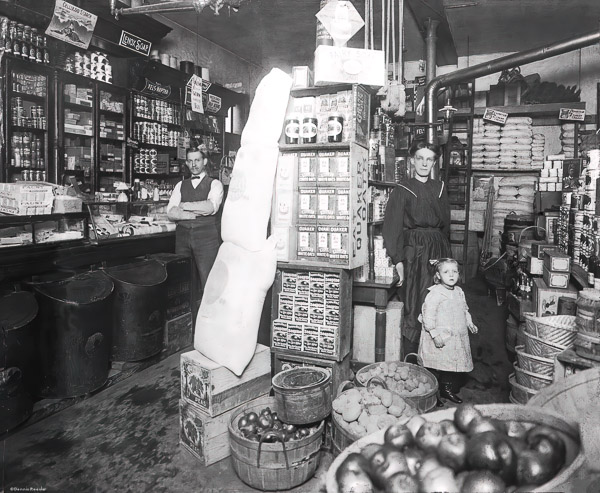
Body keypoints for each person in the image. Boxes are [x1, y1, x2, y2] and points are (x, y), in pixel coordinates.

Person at [382, 140, 451, 358]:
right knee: (415, 301)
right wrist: (398, 261)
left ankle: (437, 359)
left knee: (440, 300)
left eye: (429, 159)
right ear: (412, 161)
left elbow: (446, 225)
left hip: (438, 249)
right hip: (414, 253)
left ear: (434, 162)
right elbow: (392, 228)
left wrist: (447, 261)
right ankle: (413, 358)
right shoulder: (402, 189)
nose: (424, 163)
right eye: (419, 158)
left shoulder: (439, 188)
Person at [419, 258, 478, 404]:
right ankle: (432, 394)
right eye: (446, 272)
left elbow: (464, 310)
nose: (451, 275)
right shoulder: (435, 294)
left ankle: (446, 390)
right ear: (438, 275)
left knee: (450, 366)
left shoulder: (459, 291)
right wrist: (434, 334)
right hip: (439, 336)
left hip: (455, 337)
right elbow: (428, 316)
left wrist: (469, 322)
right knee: (435, 366)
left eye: (454, 271)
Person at [167, 145, 224, 299]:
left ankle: (209, 321)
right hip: (182, 238)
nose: (194, 164)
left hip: (206, 239)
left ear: (204, 161)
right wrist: (194, 212)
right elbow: (171, 212)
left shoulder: (215, 184)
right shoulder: (180, 185)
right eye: (190, 161)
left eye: (197, 160)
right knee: (182, 282)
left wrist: (184, 206)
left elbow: (210, 208)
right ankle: (187, 320)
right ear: (186, 163)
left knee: (209, 282)